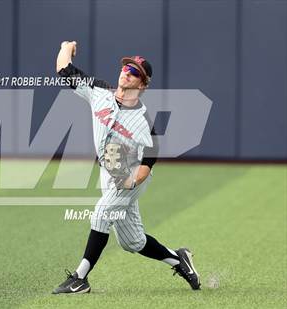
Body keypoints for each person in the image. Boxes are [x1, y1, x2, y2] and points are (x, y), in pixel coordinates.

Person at [52, 41, 200, 294]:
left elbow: (151, 157)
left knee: (100, 214)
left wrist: (133, 182)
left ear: (142, 85)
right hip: (108, 172)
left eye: (134, 73)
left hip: (130, 176)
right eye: (126, 68)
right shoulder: (99, 92)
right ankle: (179, 258)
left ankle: (80, 278)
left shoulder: (142, 120)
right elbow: (64, 71)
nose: (126, 73)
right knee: (133, 241)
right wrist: (67, 47)